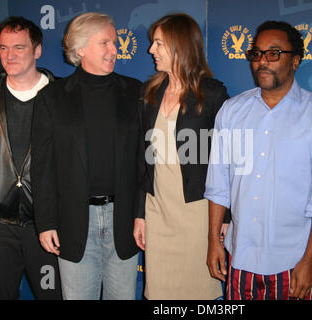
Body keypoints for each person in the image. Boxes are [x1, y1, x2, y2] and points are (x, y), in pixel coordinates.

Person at [205, 20, 312, 300]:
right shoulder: (231, 112)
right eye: (257, 54)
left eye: (274, 53)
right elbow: (218, 184)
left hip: (292, 262)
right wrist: (213, 242)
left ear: (296, 61)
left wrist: (309, 259)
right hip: (239, 256)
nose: (262, 62)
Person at [31, 12, 142, 300]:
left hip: (124, 219)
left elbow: (145, 163)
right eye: (105, 42)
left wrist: (141, 215)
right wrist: (45, 223)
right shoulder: (52, 97)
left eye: (114, 43)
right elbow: (42, 168)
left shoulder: (135, 92)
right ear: (80, 49)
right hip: (73, 221)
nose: (114, 50)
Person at [133, 13, 229, 300]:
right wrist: (140, 214)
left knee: (199, 293)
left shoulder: (211, 94)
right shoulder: (149, 93)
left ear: (180, 46)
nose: (151, 50)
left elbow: (227, 161)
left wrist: (226, 218)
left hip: (198, 214)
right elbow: (143, 160)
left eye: (159, 44)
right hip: (158, 211)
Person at [0, 16, 61, 299]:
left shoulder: (64, 97)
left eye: (19, 48)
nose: (9, 56)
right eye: (3, 48)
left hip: (46, 226)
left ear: (37, 50)